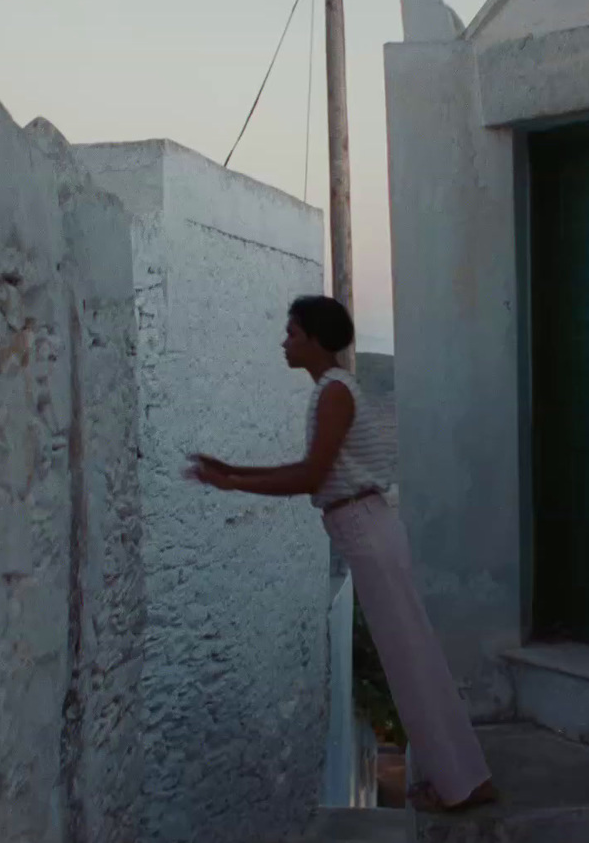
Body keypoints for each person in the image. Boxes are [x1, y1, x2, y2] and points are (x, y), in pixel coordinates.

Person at [184, 295, 497, 813]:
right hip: (363, 526)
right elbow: (313, 470)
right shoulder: (331, 390)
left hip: (365, 527)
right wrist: (232, 472)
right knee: (411, 659)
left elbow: (310, 476)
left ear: (313, 338)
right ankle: (460, 779)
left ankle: (461, 785)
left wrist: (232, 482)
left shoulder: (333, 393)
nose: (284, 342)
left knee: (410, 661)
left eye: (291, 332)